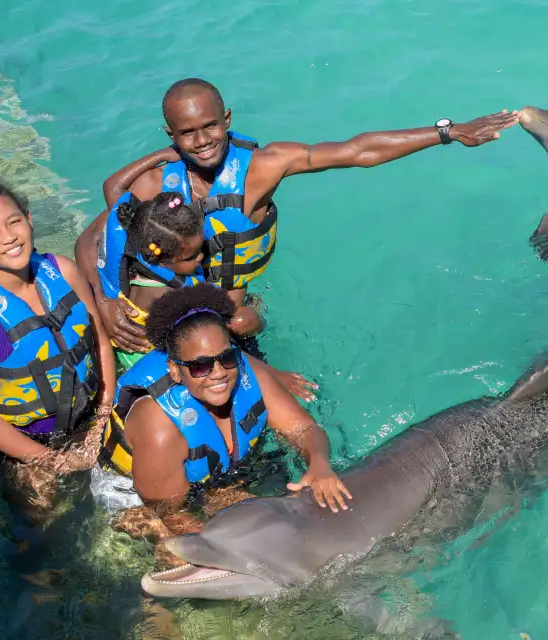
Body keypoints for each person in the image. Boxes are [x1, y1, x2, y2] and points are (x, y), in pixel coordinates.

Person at [75, 77, 520, 357]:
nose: (203, 140)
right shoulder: (157, 186)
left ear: (227, 118)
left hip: (226, 317)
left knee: (247, 323)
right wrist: (104, 301)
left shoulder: (263, 167)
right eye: (187, 134)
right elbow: (92, 240)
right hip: (178, 322)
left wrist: (447, 132)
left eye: (210, 126)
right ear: (171, 136)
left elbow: (357, 151)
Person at [100, 284, 350, 561]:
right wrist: (247, 555)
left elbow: (304, 430)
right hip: (141, 497)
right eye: (200, 366)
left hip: (219, 477)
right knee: (176, 556)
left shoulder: (243, 370)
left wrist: (319, 464)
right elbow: (170, 512)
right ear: (175, 370)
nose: (219, 373)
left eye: (226, 358)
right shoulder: (160, 425)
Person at [0, 182, 117, 516]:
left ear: (29, 218)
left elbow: (98, 341)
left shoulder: (64, 270)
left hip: (91, 417)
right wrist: (56, 461)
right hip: (29, 446)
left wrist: (103, 415)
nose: (8, 237)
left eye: (14, 222)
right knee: (40, 523)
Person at [100, 190, 316, 399]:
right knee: (246, 319)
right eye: (191, 257)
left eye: (200, 249)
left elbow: (113, 187)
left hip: (141, 344)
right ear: (164, 261)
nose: (200, 257)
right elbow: (219, 343)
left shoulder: (143, 252)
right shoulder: (171, 297)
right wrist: (274, 375)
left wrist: (162, 156)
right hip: (156, 359)